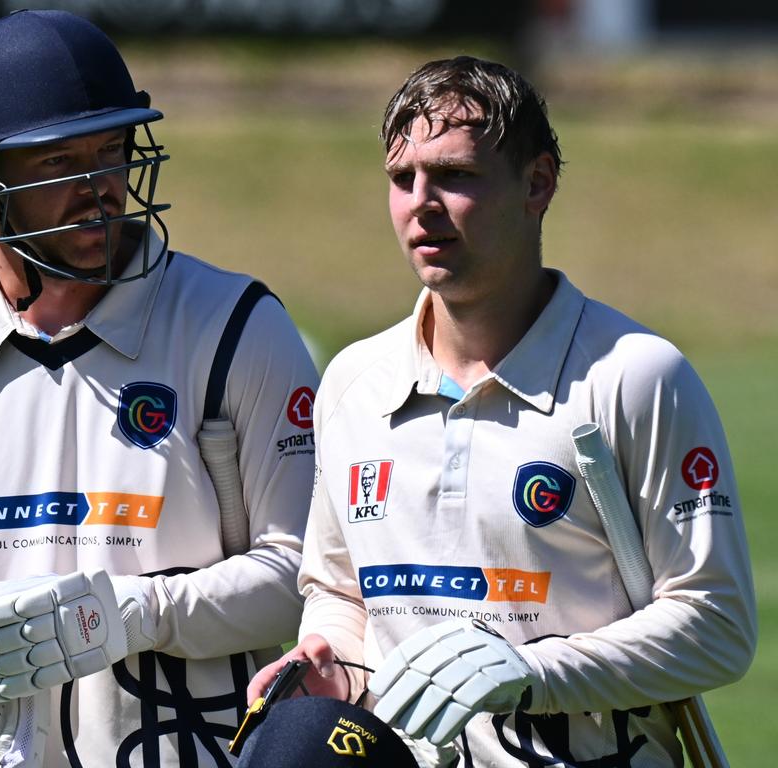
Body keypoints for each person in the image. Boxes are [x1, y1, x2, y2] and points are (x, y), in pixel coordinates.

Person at [0, 10, 319, 768]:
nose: (101, 188)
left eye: (112, 152)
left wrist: (130, 613)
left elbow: (307, 577)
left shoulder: (235, 327)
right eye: (57, 164)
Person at [248, 55, 756, 767]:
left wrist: (532, 674)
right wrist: (329, 653)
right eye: (402, 179)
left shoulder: (637, 376)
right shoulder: (355, 382)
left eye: (455, 176)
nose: (421, 202)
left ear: (537, 183)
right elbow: (339, 591)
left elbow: (716, 627)